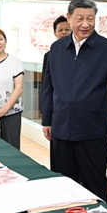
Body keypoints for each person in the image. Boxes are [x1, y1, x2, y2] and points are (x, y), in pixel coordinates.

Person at [42, 0, 107, 204]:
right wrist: (47, 120)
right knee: (63, 184)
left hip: (92, 130)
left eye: (90, 18)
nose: (85, 24)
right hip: (61, 128)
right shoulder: (56, 49)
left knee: (95, 185)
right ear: (69, 18)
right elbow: (48, 88)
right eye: (80, 18)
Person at [41, 15, 71, 171]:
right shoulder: (50, 54)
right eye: (60, 30)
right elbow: (47, 87)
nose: (64, 32)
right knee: (60, 161)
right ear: (55, 33)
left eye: (67, 29)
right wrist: (47, 119)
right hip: (58, 115)